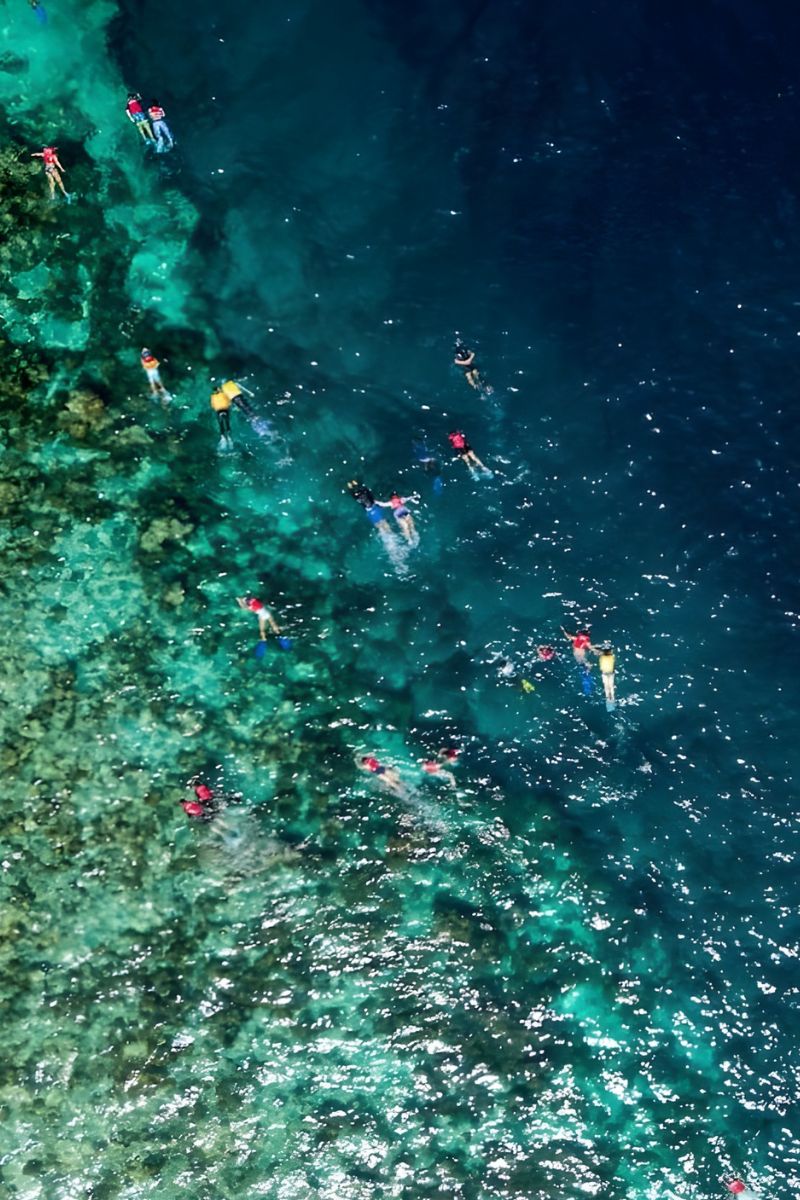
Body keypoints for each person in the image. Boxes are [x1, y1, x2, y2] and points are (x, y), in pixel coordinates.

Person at [595, 644, 617, 711]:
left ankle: (608, 700)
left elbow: (596, 649)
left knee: (606, 687)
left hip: (604, 673)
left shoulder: (601, 657)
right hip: (611, 673)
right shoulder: (612, 656)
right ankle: (612, 699)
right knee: (611, 686)